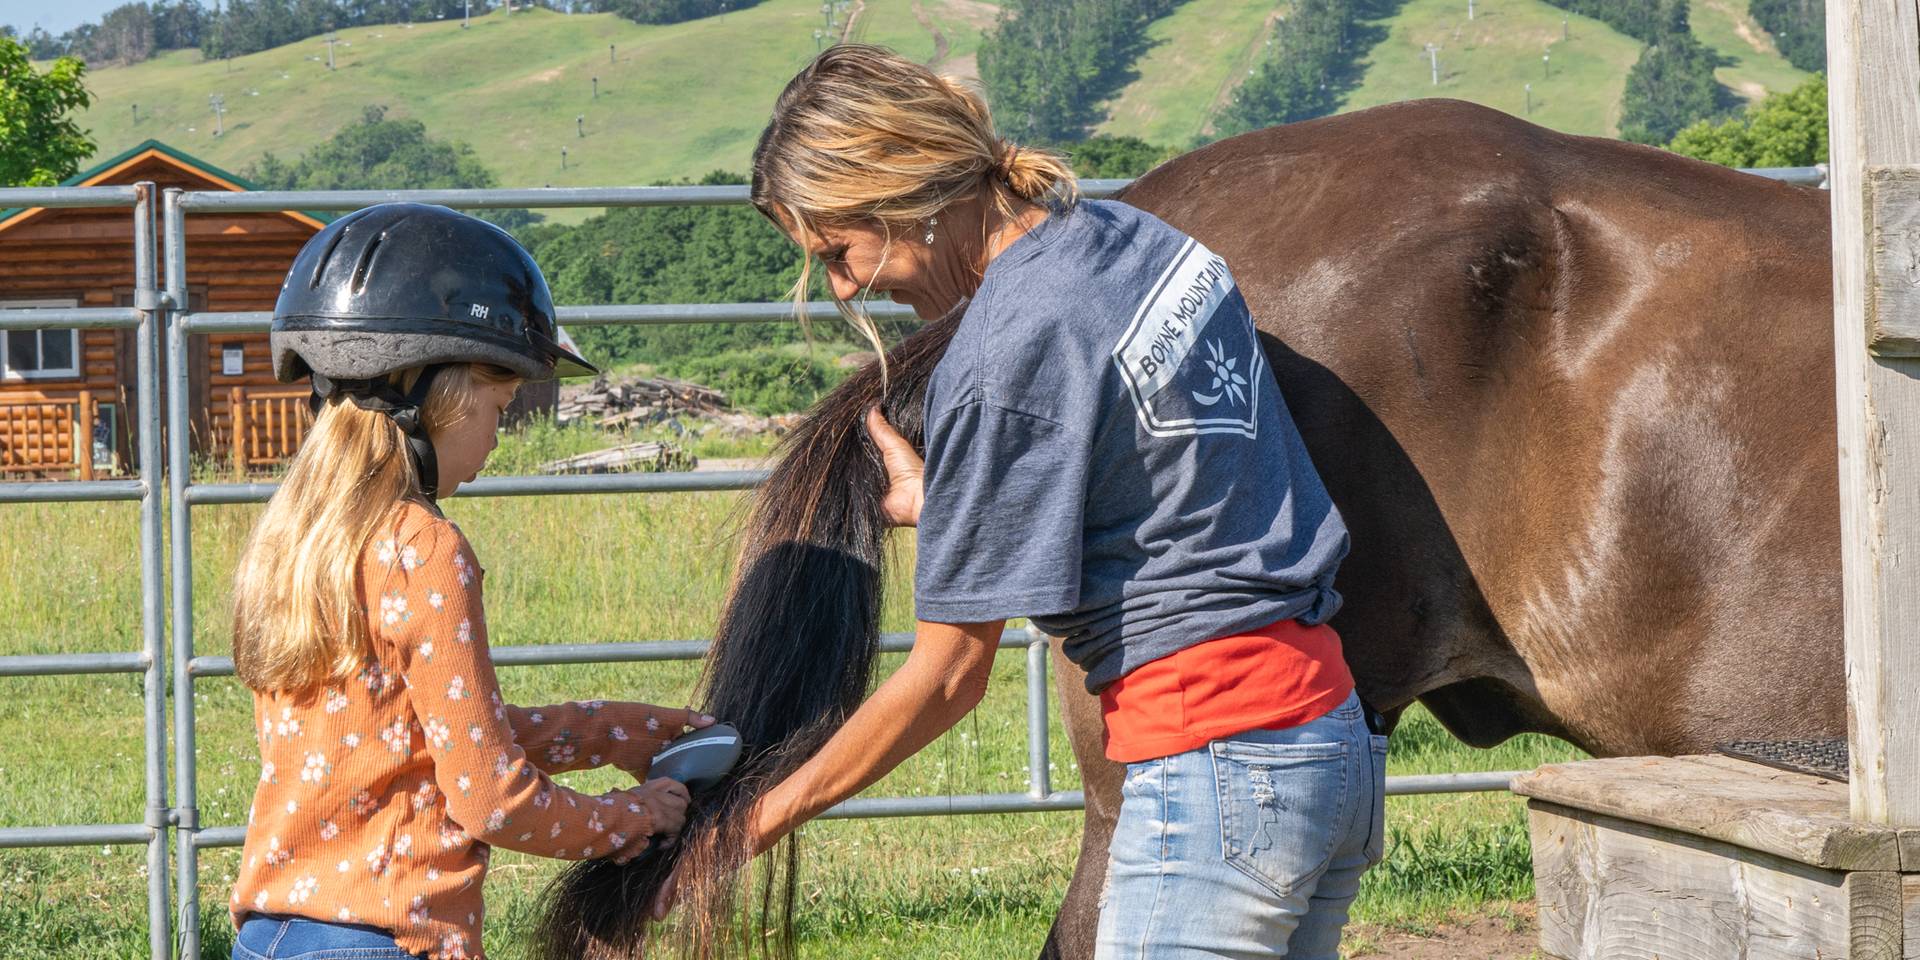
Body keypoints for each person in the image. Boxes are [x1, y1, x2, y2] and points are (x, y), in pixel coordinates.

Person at [659, 45, 1388, 958]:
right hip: (1328, 749)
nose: (845, 288)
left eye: (838, 253)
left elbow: (950, 678)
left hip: (1213, 772)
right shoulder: (1134, 239)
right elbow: (1174, 471)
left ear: (899, 195)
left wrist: (747, 828)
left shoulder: (1005, 349)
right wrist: (967, 499)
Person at [227, 203, 714, 960]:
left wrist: (618, 729)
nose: (497, 432)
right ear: (438, 395)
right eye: (498, 405)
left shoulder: (304, 545)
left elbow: (421, 741)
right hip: (388, 939)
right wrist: (632, 819)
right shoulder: (424, 547)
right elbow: (490, 797)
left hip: (272, 938)